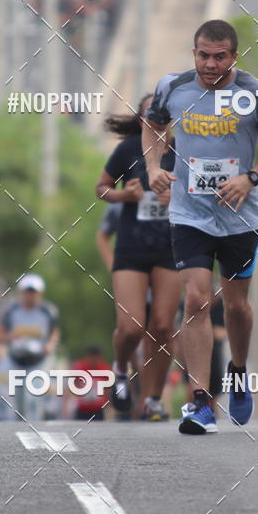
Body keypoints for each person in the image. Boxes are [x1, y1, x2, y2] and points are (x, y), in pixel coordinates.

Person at [143, 18, 258, 434]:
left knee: (236, 307)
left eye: (219, 57)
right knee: (195, 300)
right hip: (188, 213)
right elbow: (152, 124)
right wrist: (154, 165)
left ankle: (239, 369)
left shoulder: (256, 94)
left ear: (234, 56)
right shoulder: (172, 88)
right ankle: (201, 401)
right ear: (193, 52)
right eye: (203, 55)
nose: (210, 64)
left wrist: (251, 177)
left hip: (240, 217)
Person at [96, 94, 182, 422]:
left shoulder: (184, 150)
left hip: (172, 247)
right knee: (132, 328)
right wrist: (123, 195)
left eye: (160, 115)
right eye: (148, 116)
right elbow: (101, 187)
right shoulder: (129, 150)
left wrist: (177, 196)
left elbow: (205, 193)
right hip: (131, 247)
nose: (155, 122)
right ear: (142, 120)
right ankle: (120, 370)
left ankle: (154, 398)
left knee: (162, 327)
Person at [0, 274, 59, 421]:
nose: (30, 296)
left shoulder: (48, 311)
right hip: (16, 360)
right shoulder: (11, 310)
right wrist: (9, 337)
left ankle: (35, 429)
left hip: (38, 361)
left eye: (34, 293)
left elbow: (54, 332)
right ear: (21, 293)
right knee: (17, 401)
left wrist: (50, 345)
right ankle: (20, 432)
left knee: (32, 397)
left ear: (40, 294)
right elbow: (0, 334)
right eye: (27, 292)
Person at [63, 345, 113, 421]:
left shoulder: (105, 369)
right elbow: (70, 386)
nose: (94, 359)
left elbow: (108, 390)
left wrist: (109, 408)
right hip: (82, 410)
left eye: (96, 356)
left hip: (98, 410)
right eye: (92, 356)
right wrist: (65, 405)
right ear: (88, 356)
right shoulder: (80, 367)